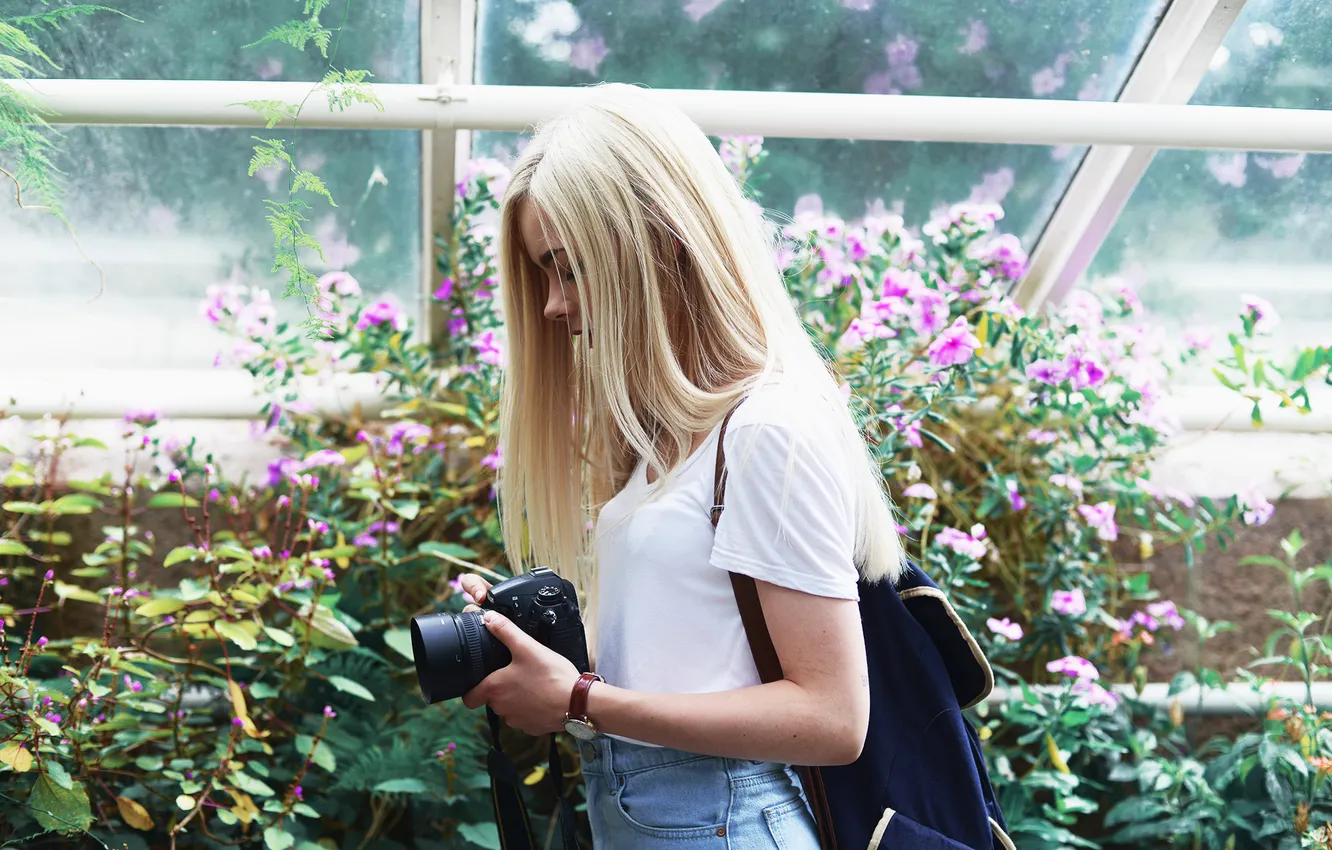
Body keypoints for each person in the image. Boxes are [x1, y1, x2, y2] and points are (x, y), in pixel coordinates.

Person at [457, 82, 905, 848]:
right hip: (656, 816)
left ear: (664, 242)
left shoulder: (767, 429)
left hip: (721, 820)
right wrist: (542, 649)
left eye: (571, 269)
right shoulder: (670, 442)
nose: (553, 307)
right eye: (546, 275)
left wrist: (580, 700)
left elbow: (832, 720)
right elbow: (689, 658)